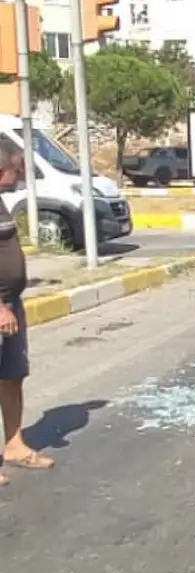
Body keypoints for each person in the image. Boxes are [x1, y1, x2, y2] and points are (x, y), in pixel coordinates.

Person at [0, 137, 55, 486]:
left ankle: (15, 445)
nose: (21, 178)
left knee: (12, 376)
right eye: (16, 171)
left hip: (10, 307)